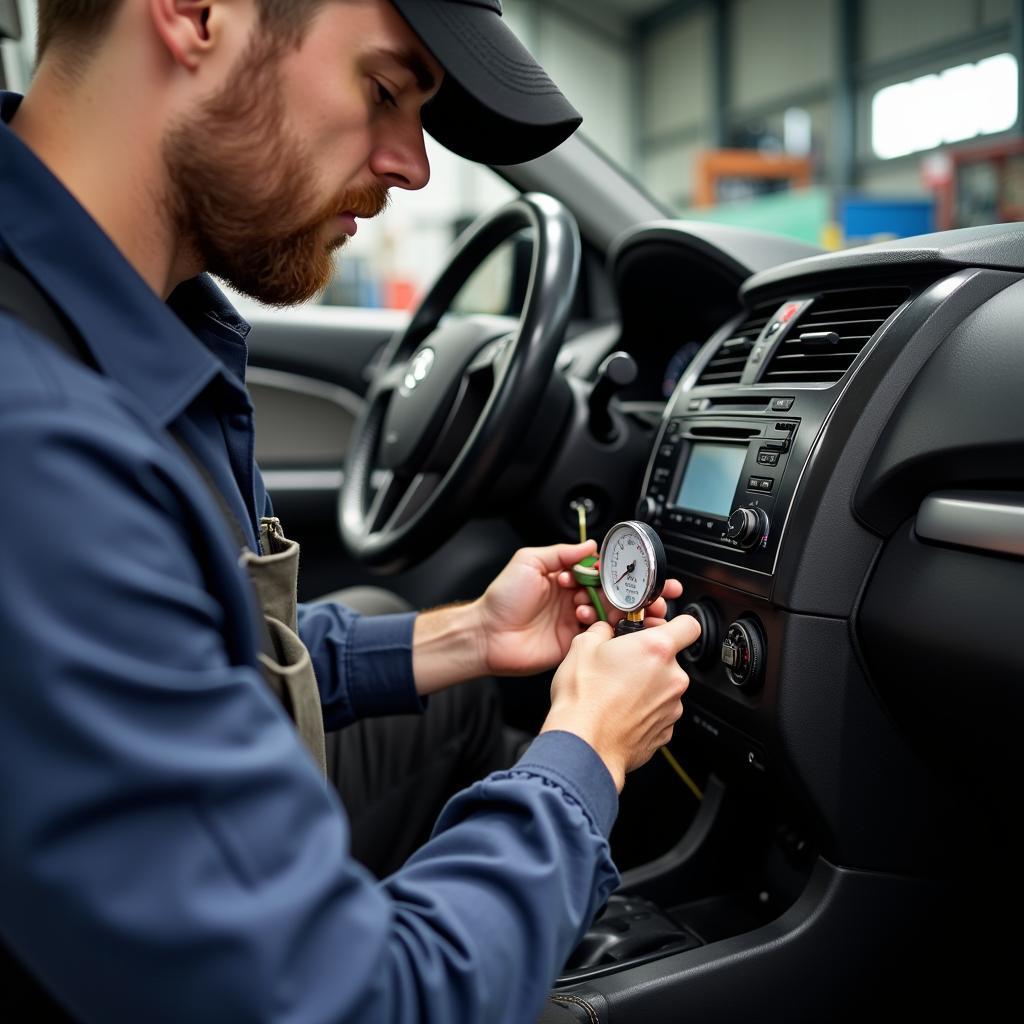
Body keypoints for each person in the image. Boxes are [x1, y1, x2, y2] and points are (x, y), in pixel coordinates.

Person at [0, 1, 700, 1020]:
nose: (413, 164)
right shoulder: (43, 456)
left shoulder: (120, 326)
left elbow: (204, 649)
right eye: (384, 89)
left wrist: (464, 634)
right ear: (195, 13)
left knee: (455, 689)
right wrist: (585, 749)